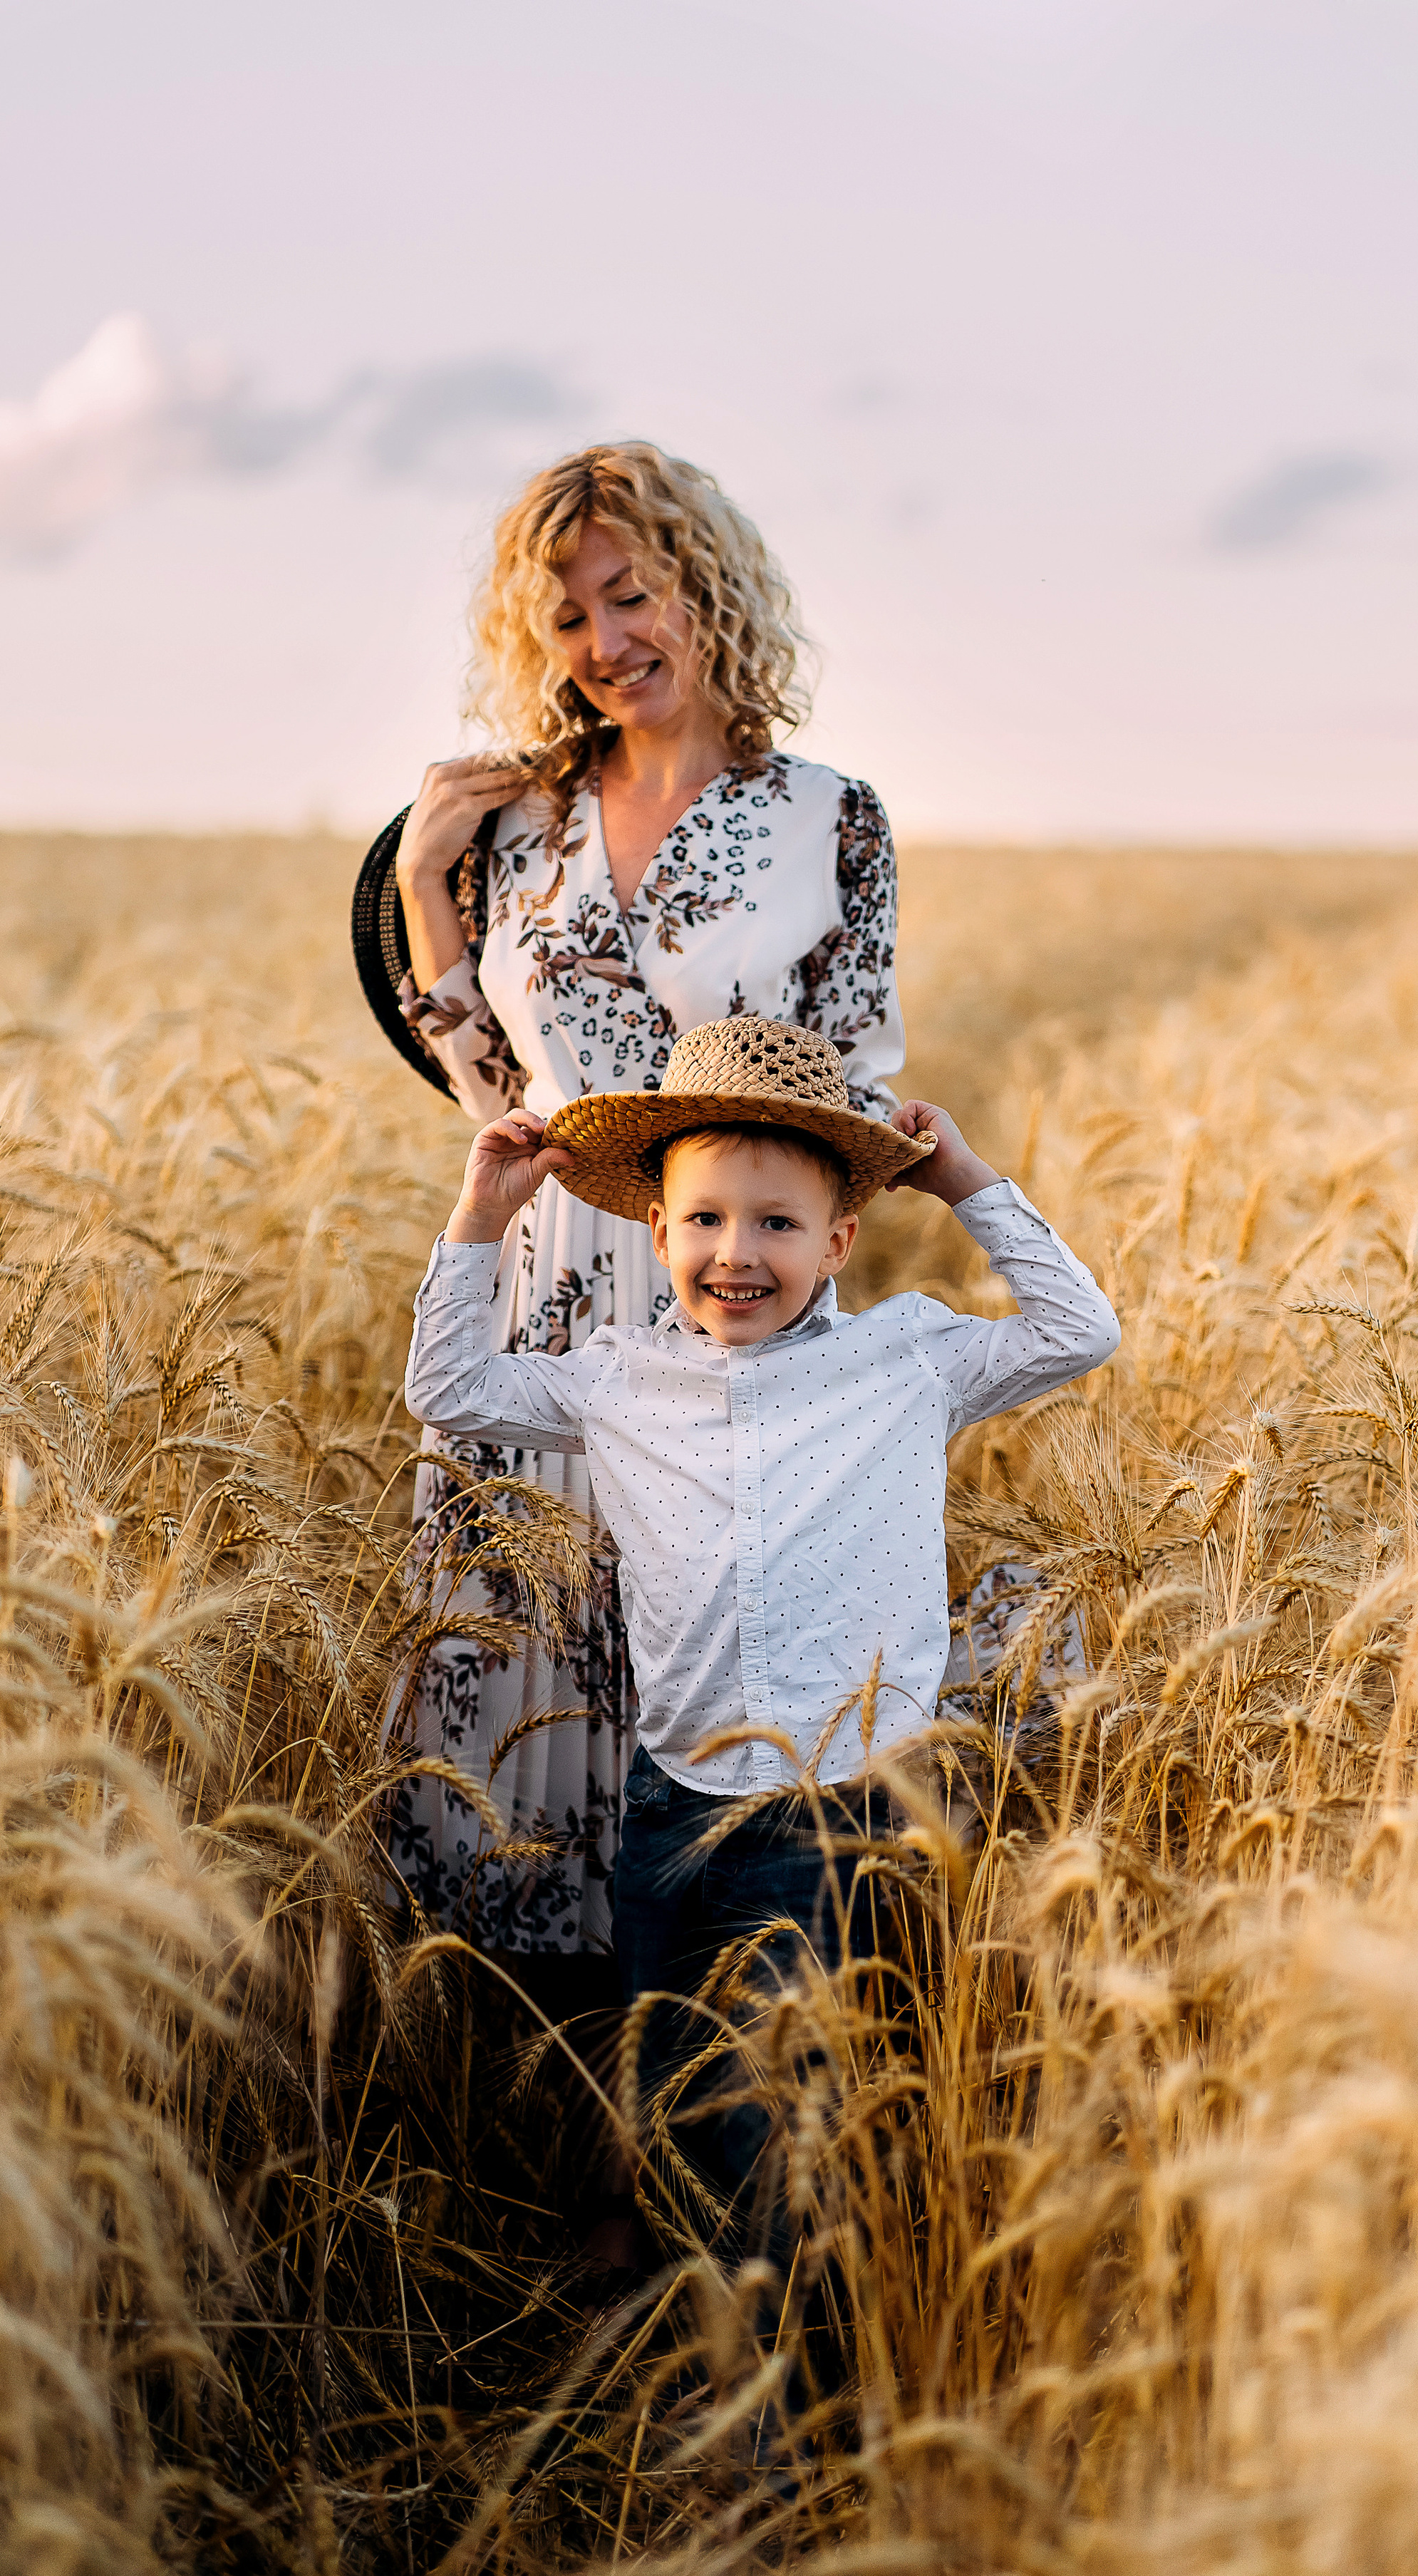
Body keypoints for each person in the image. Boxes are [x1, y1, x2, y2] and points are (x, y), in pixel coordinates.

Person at [403, 1017, 1122, 2247]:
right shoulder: (616, 1376)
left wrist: (962, 1180)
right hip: (671, 1800)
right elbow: (450, 1389)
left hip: (835, 1808)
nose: (738, 1254)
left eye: (779, 1224)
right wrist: (481, 1216)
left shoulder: (909, 1362)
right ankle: (687, 2333)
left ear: (841, 1240)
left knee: (779, 2123)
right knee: (664, 2090)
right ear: (658, 1231)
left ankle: (780, 2392)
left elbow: (1079, 1331)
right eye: (706, 1220)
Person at [388, 443, 909, 1985]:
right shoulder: (522, 824)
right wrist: (429, 889)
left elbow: (856, 1101)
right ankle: (568, 2121)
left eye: (631, 595)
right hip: (542, 1297)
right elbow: (497, 1096)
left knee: (709, 1721)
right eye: (565, 619)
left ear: (706, 589)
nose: (603, 642)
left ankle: (683, 2140)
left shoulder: (829, 821)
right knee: (531, 1706)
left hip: (727, 1300)